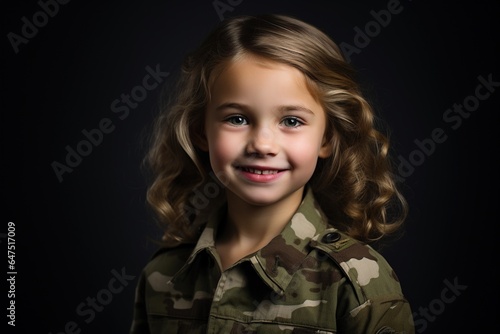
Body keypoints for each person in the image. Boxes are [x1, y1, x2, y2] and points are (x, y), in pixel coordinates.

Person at [130, 13, 415, 334]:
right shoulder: (163, 275)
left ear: (327, 137)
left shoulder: (355, 280)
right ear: (200, 131)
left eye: (291, 121)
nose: (263, 144)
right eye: (237, 119)